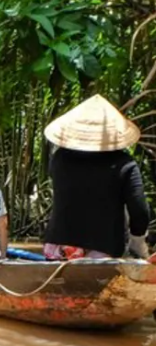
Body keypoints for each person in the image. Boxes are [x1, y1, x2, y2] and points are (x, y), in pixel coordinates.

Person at [43, 95, 151, 260]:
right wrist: (138, 243)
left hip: (58, 247)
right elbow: (140, 211)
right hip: (104, 249)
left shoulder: (59, 158)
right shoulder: (124, 163)